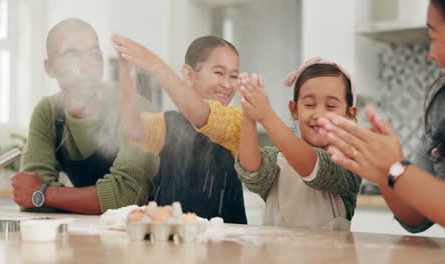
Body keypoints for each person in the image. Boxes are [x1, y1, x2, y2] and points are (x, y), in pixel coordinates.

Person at [316, 0, 445, 231]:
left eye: (433, 37)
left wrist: (397, 168)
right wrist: (385, 174)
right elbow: (416, 217)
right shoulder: (441, 102)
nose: (431, 54)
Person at [11, 18, 159, 214]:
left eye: (94, 54)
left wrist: (45, 194)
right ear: (50, 67)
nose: (86, 65)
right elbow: (28, 196)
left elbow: (127, 196)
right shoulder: (48, 113)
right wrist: (40, 194)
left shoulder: (133, 106)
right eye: (71, 55)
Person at [113, 35, 247, 223]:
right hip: (170, 238)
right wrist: (126, 70)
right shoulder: (169, 123)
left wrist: (154, 64)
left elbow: (199, 114)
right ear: (189, 75)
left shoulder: (238, 121)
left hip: (225, 242)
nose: (227, 84)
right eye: (219, 73)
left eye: (234, 76)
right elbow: (133, 129)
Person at [235, 58, 361, 230]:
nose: (319, 114)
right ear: (294, 110)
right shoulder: (277, 158)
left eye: (331, 106)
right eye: (309, 104)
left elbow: (314, 166)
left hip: (329, 256)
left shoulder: (348, 163)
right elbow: (251, 170)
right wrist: (249, 116)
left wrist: (266, 115)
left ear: (349, 114)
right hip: (274, 256)